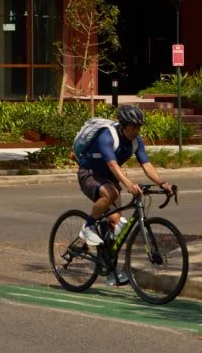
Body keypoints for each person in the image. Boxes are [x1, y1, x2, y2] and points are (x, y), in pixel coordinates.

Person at [72, 104, 173, 284]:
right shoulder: (107, 136)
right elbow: (112, 164)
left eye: (139, 127)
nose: (137, 130)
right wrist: (129, 184)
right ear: (124, 125)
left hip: (110, 179)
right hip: (89, 173)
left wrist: (162, 183)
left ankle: (110, 269)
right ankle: (87, 228)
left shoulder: (136, 142)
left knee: (115, 227)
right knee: (109, 196)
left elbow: (146, 165)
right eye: (133, 127)